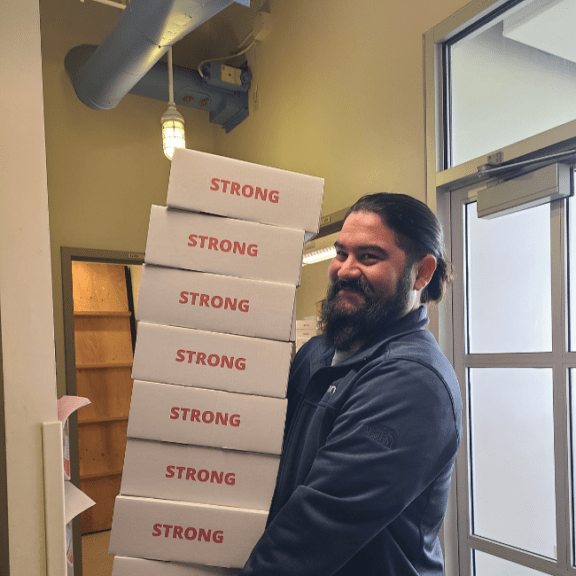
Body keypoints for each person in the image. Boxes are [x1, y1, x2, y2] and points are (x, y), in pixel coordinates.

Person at [238, 192, 463, 576]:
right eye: (341, 253)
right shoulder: (317, 353)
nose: (344, 269)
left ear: (422, 273)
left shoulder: (412, 382)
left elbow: (318, 525)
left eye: (369, 257)